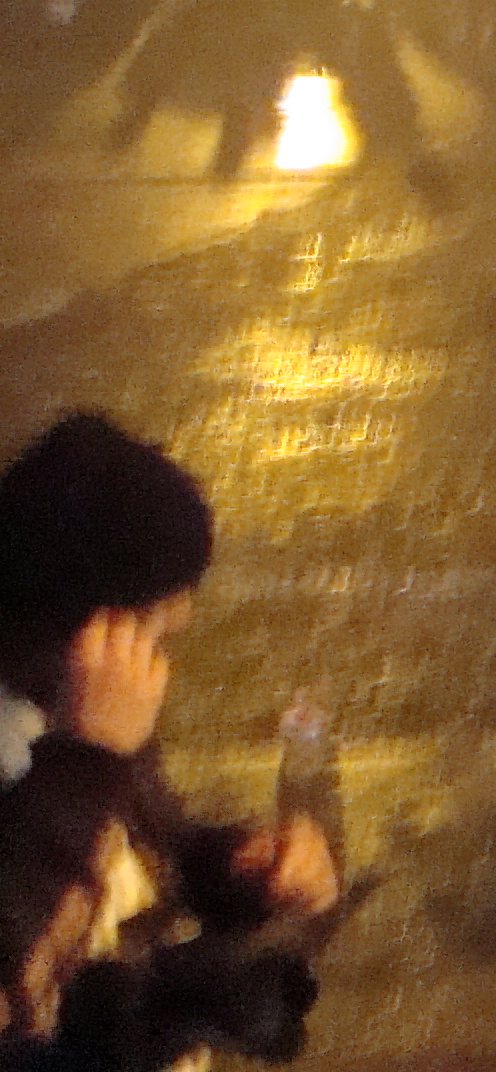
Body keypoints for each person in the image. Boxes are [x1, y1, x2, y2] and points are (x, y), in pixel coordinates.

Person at [0, 413, 343, 1061]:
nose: (177, 624)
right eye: (153, 613)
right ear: (85, 619)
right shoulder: (72, 730)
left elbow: (148, 851)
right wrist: (86, 762)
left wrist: (242, 868)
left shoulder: (69, 705)